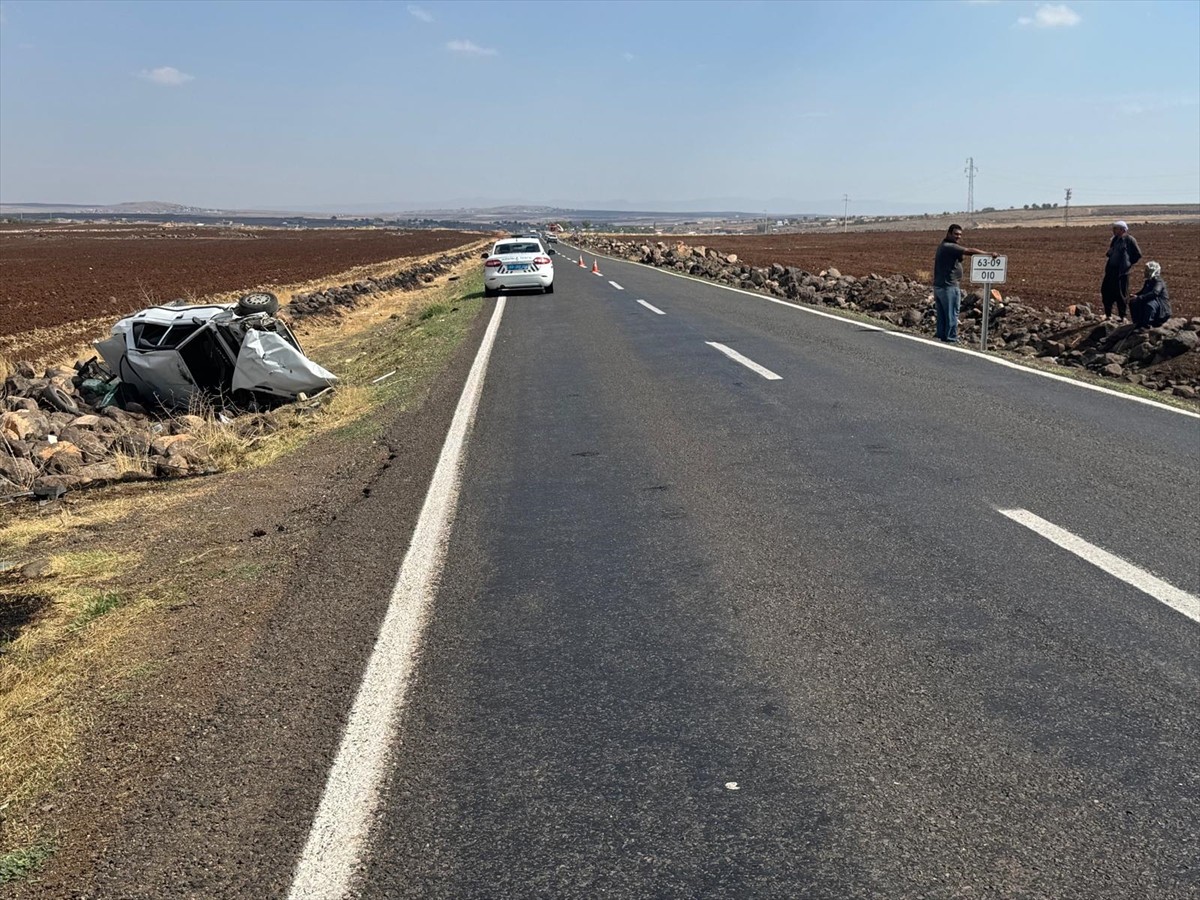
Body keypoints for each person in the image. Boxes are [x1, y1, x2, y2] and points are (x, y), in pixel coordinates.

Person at [932, 224, 999, 343]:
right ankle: (951, 338)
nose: (958, 236)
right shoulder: (949, 246)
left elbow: (960, 256)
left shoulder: (944, 246)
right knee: (952, 313)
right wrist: (988, 254)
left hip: (940, 286)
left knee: (943, 314)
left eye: (960, 234)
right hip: (949, 286)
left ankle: (941, 336)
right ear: (949, 233)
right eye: (956, 234)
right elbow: (968, 251)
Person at [1101, 220, 1142, 321]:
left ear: (1123, 230)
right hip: (1111, 271)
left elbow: (1138, 254)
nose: (1114, 230)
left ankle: (1122, 316)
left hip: (1121, 273)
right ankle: (1108, 314)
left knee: (1121, 294)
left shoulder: (1129, 240)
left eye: (1116, 229)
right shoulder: (1115, 239)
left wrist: (1128, 264)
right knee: (1106, 291)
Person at [1128, 261, 1172, 329]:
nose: (1145, 272)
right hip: (1152, 301)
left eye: (1147, 270)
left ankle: (1147, 324)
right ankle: (1138, 323)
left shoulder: (1158, 281)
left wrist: (1140, 297)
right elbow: (1143, 292)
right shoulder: (1148, 281)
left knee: (1150, 305)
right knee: (1133, 302)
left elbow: (1155, 293)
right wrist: (1134, 295)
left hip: (1161, 307)